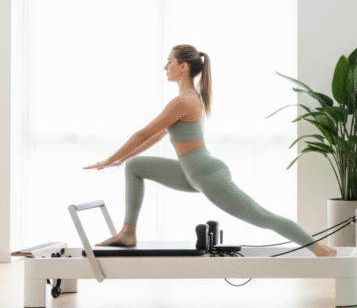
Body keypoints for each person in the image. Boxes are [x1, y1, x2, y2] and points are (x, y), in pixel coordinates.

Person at [84, 45, 337, 257]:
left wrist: (109, 159)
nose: (165, 67)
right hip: (191, 171)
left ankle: (318, 249)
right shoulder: (189, 99)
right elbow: (159, 135)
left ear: (183, 67)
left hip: (206, 173)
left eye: (169, 62)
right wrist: (121, 160)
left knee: (262, 217)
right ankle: (128, 232)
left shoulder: (184, 101)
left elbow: (143, 133)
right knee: (135, 166)